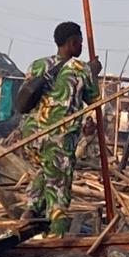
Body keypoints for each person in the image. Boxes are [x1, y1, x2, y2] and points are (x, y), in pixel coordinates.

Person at [21, 21, 101, 236]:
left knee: (44, 172)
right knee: (58, 187)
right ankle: (56, 235)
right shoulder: (80, 69)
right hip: (58, 137)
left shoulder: (37, 65)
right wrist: (93, 72)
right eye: (80, 43)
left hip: (31, 136)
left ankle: (29, 213)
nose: (82, 47)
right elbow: (94, 99)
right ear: (72, 43)